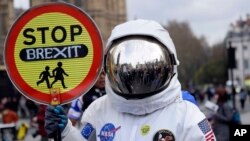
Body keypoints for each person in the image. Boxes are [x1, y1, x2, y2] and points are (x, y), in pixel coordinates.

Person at [45, 19, 216, 141]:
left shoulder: (186, 115)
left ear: (170, 63)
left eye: (146, 69)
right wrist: (65, 131)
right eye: (127, 69)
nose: (136, 79)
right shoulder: (99, 110)